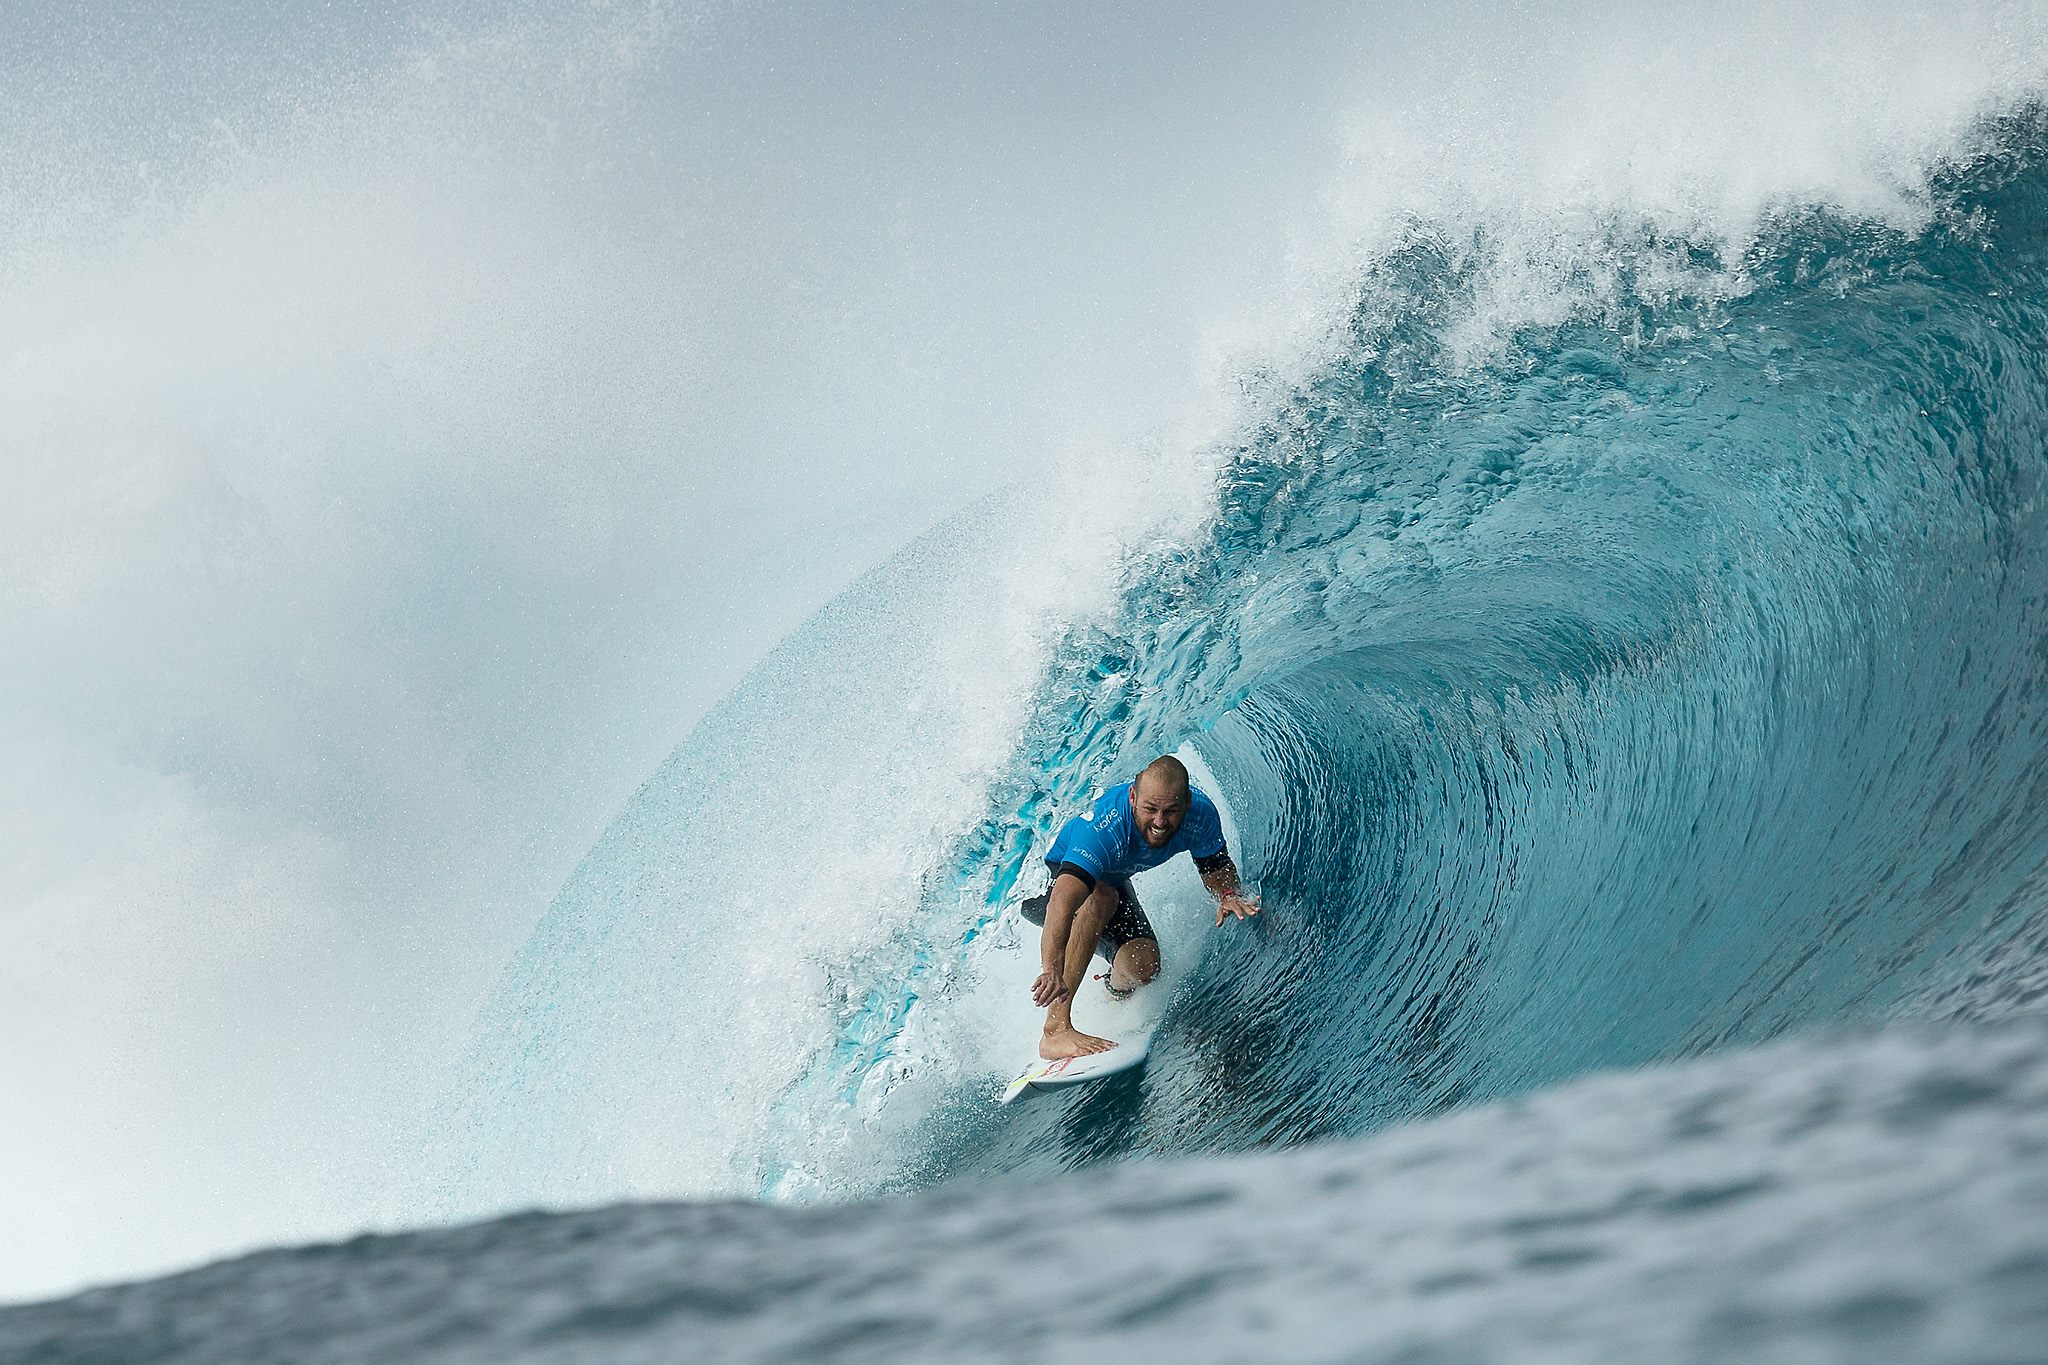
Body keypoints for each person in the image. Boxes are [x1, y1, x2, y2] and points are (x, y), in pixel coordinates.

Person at [1019, 754, 1258, 1058]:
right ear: (1133, 797)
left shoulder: (1200, 815)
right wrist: (1051, 971)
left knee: (1144, 967)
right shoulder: (1104, 831)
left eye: (1171, 811)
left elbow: (1215, 866)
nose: (1160, 822)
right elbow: (1061, 904)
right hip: (1040, 883)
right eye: (1150, 809)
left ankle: (1114, 988)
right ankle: (1055, 1030)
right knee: (1101, 896)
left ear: (1186, 802)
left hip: (1106, 881)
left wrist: (1227, 895)